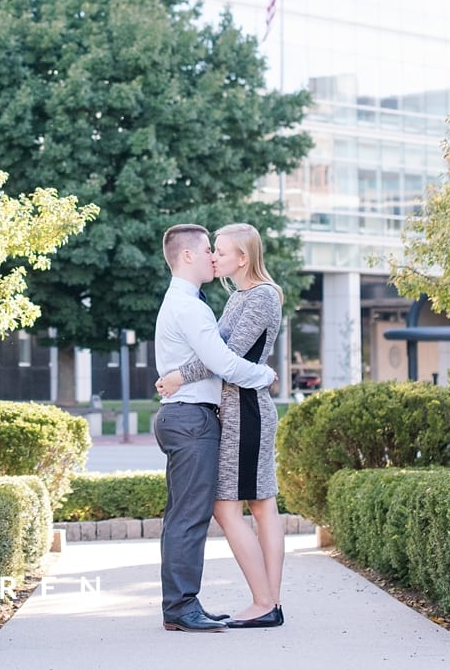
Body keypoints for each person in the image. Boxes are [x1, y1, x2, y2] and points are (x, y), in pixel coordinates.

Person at [155, 223, 286, 628]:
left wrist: (179, 374)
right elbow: (220, 355)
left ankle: (267, 603)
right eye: (212, 251)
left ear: (242, 258)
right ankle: (265, 602)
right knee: (237, 506)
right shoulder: (230, 299)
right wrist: (182, 375)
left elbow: (224, 356)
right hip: (230, 408)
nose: (214, 257)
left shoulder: (261, 296)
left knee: (256, 504)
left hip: (245, 407)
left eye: (221, 251)